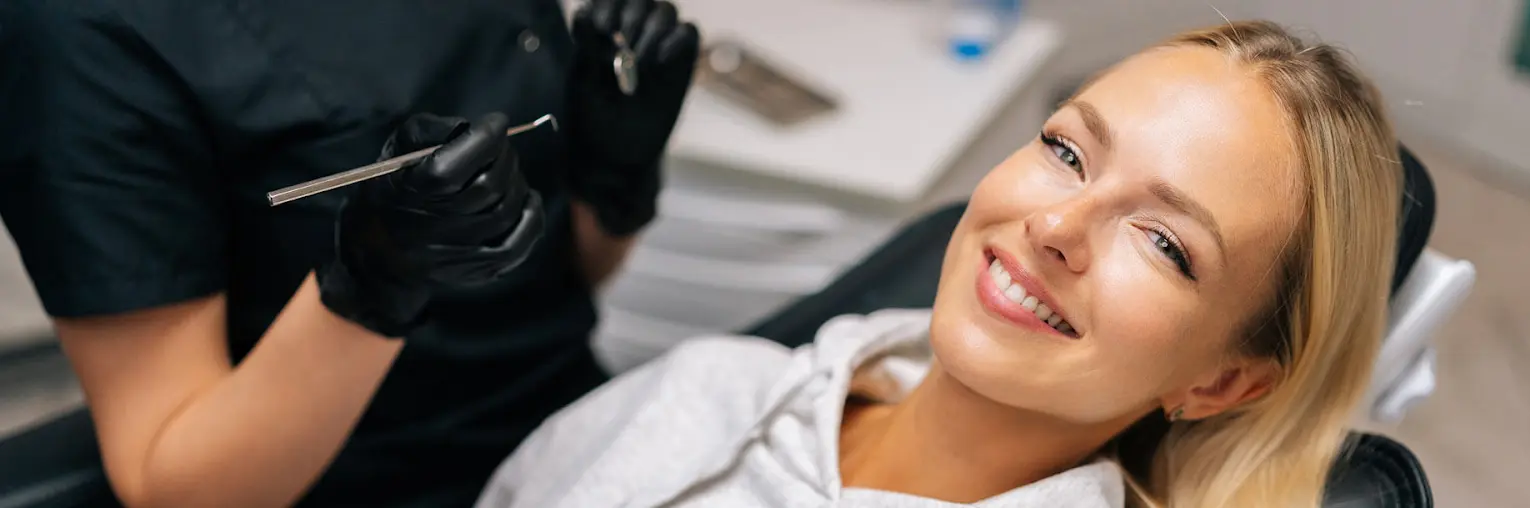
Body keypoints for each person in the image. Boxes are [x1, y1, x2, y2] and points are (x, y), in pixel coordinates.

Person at [476, 20, 1405, 508]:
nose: (1057, 224)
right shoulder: (724, 380)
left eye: (1164, 243)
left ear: (1222, 381)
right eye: (1068, 151)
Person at [0, 0, 698, 506]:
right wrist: (370, 283)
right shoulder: (78, 32)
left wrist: (617, 173)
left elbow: (566, 282)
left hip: (589, 426)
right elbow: (169, 484)